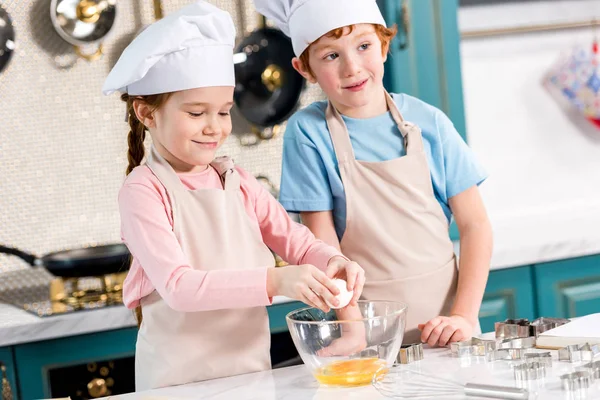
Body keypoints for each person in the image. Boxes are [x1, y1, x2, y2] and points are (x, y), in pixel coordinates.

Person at [102, 1, 364, 390]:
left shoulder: (238, 181)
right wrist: (277, 283)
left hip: (250, 377)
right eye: (196, 113)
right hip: (178, 386)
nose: (214, 127)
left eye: (223, 112)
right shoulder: (144, 191)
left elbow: (298, 244)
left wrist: (334, 261)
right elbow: (180, 287)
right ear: (146, 113)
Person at [254, 0, 493, 346]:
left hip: (449, 330)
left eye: (363, 46)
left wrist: (464, 317)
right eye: (330, 56)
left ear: (383, 45)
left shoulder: (430, 123)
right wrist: (352, 330)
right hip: (371, 335)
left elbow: (476, 225)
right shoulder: (309, 133)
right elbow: (323, 243)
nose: (352, 68)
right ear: (304, 68)